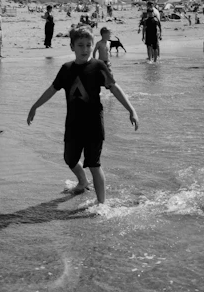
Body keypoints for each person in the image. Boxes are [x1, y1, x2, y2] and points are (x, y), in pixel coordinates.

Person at [27, 28, 139, 205]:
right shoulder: (66, 69)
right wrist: (35, 106)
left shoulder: (98, 66)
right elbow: (52, 89)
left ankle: (101, 205)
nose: (85, 49)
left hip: (94, 124)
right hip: (73, 124)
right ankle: (83, 181)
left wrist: (131, 110)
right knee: (69, 158)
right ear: (72, 46)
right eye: (80, 45)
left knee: (94, 164)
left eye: (88, 45)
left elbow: (115, 88)